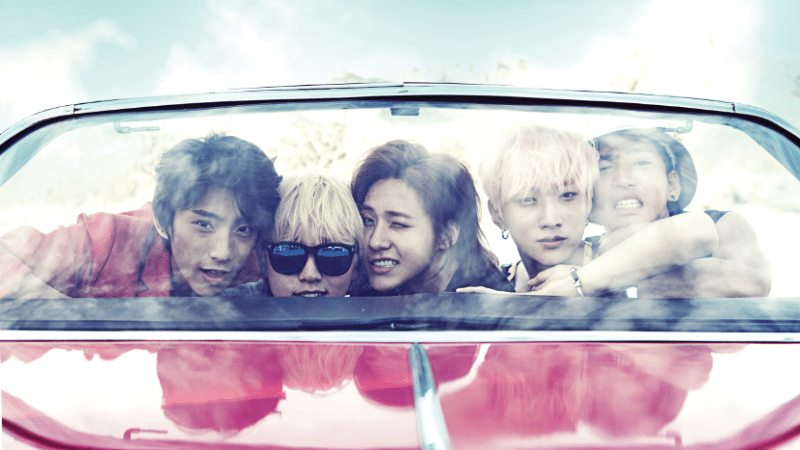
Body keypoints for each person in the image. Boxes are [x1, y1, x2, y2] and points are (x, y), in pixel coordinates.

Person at [0, 133, 281, 298]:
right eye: (204, 224)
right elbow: (7, 253)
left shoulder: (270, 265)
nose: (223, 253)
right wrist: (67, 317)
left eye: (243, 230)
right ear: (162, 219)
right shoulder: (108, 243)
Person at [460, 124, 718, 297]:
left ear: (588, 202)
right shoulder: (490, 280)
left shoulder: (608, 252)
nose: (551, 219)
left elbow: (697, 230)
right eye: (528, 199)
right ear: (497, 215)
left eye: (568, 196)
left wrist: (580, 281)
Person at [583, 128, 771, 298]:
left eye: (641, 162)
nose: (623, 180)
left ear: (672, 185)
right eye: (604, 168)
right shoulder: (582, 251)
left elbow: (753, 284)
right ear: (590, 195)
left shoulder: (721, 226)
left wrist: (611, 284)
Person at [351, 139, 512, 295]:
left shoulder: (489, 301)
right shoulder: (362, 288)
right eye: (368, 220)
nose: (375, 242)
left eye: (398, 224)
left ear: (446, 235)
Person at [224, 171, 362, 297]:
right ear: (263, 261)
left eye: (333, 254)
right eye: (289, 253)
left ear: (356, 265)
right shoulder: (226, 307)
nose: (310, 275)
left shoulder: (374, 309)